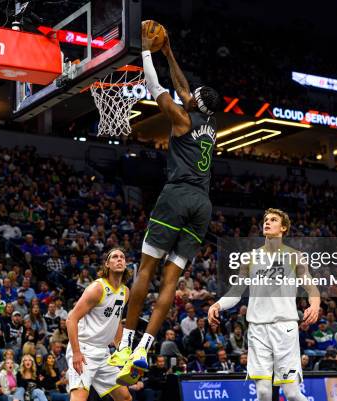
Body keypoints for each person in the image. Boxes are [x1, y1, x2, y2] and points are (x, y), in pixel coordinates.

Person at [110, 25, 223, 385]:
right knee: (170, 282)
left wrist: (147, 51)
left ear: (193, 103)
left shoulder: (183, 118)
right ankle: (146, 346)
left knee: (145, 270)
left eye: (191, 94)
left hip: (177, 196)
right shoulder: (209, 121)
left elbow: (157, 88)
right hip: (202, 206)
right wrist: (169, 51)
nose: (187, 93)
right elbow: (185, 87)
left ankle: (126, 344)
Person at [208, 208, 320, 401]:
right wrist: (217, 305)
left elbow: (311, 288)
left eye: (273, 220)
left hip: (285, 329)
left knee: (292, 394)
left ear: (283, 227)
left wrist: (315, 305)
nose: (267, 222)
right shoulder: (249, 258)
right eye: (266, 219)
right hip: (258, 330)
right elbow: (236, 292)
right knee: (263, 392)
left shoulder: (295, 256)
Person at [65, 248, 132, 401]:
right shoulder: (97, 288)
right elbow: (71, 319)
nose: (119, 259)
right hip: (84, 350)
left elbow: (115, 322)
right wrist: (76, 352)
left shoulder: (125, 292)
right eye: (115, 257)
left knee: (125, 397)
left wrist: (122, 351)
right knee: (79, 398)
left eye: (122, 257)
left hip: (103, 352)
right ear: (107, 264)